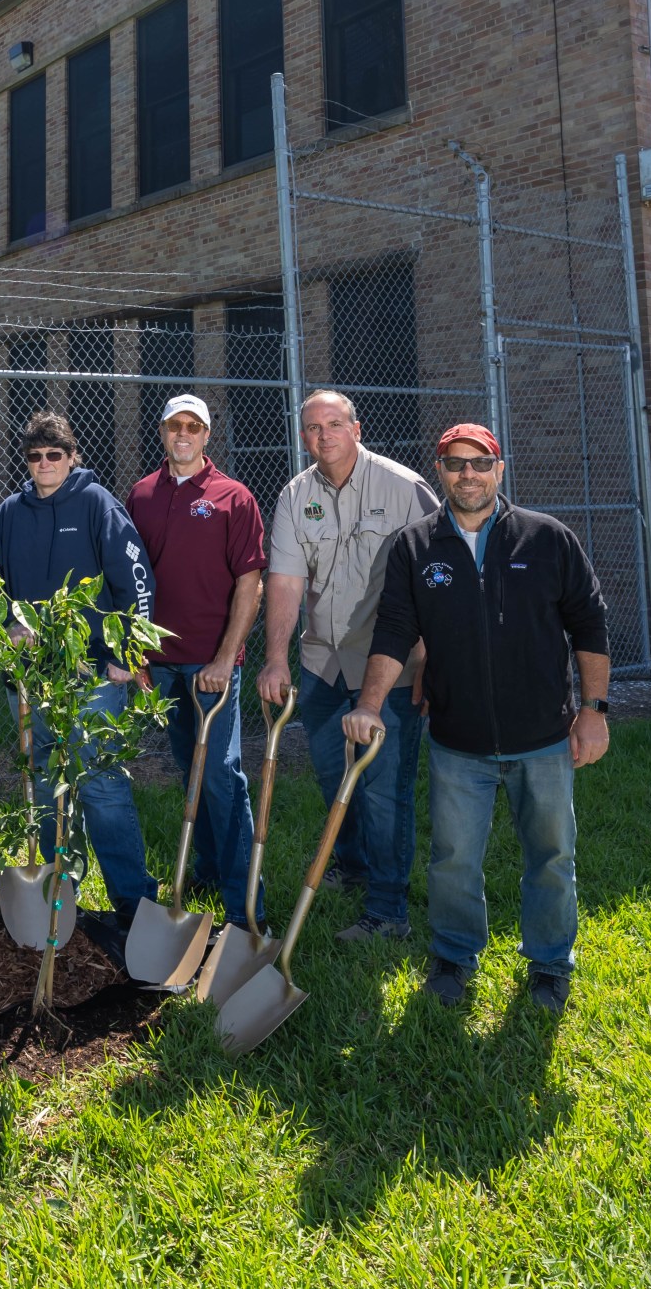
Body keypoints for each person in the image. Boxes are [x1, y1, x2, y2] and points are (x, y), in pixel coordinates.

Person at [354, 422, 611, 1015]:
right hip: (458, 741)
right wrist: (370, 703)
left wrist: (594, 712)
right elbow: (395, 629)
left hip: (543, 738)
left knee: (551, 855)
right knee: (453, 859)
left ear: (500, 468)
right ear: (439, 472)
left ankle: (549, 963)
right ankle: (453, 957)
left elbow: (589, 626)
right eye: (453, 463)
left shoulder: (547, 539)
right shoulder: (414, 546)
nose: (466, 473)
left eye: (478, 462)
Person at [258, 390, 439, 941]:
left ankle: (388, 911)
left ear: (356, 429)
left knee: (385, 789)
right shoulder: (296, 495)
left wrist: (432, 661)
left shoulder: (405, 489)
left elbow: (441, 576)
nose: (322, 436)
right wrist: (275, 659)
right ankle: (356, 864)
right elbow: (286, 581)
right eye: (312, 427)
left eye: (334, 424)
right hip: (321, 663)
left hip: (389, 666)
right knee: (334, 775)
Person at [0, 408, 158, 931]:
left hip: (92, 676)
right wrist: (9, 625)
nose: (44, 465)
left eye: (54, 455)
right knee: (43, 784)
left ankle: (134, 905)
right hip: (31, 678)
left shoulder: (96, 504)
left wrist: (128, 656)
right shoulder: (9, 514)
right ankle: (61, 899)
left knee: (101, 785)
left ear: (72, 456)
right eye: (34, 457)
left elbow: (136, 579)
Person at [125, 393, 267, 927]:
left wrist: (225, 657)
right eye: (173, 425)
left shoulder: (233, 497)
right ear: (161, 432)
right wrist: (135, 653)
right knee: (190, 769)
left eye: (193, 425)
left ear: (207, 434)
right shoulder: (140, 495)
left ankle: (245, 903)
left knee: (223, 775)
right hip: (158, 664)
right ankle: (207, 867)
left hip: (212, 664)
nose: (182, 433)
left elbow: (250, 584)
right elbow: (130, 580)